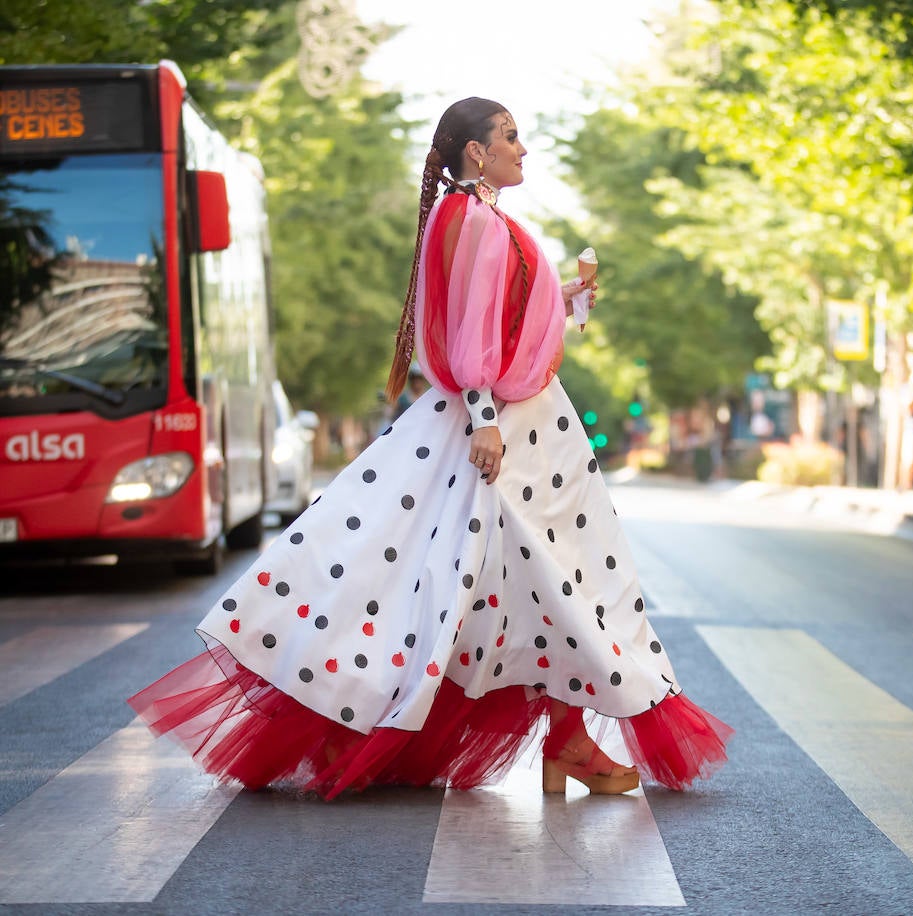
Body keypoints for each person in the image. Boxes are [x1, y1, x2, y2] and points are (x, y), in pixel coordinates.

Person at [128, 98, 732, 799]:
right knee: (536, 583)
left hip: (523, 427)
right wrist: (483, 419)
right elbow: (469, 333)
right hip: (504, 429)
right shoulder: (472, 218)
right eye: (510, 135)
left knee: (535, 583)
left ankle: (566, 740)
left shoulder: (480, 217)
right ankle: (557, 742)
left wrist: (565, 297)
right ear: (476, 152)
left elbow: (495, 316)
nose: (522, 148)